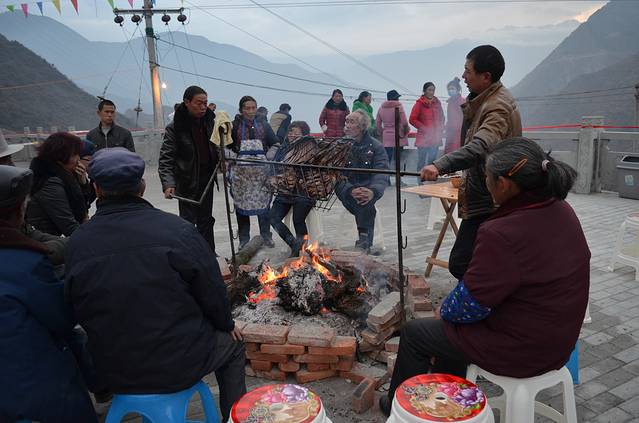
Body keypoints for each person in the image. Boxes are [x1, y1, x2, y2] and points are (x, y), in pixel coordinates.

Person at [381, 137, 590, 416]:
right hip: (559, 342)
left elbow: (470, 304)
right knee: (450, 331)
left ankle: (396, 408)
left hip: (525, 350)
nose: (485, 183)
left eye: (487, 178)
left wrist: (446, 309)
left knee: (417, 333)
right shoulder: (562, 209)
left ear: (503, 184)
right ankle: (448, 402)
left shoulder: (503, 232)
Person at [66, 148, 246, 422]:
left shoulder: (77, 243)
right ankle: (235, 418)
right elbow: (212, 291)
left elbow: (73, 308)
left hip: (114, 371)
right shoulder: (178, 231)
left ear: (96, 189)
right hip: (178, 364)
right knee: (234, 345)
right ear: (142, 186)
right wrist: (226, 323)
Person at [0, 165, 97, 423]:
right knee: (73, 340)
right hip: (27, 386)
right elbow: (61, 318)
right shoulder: (25, 262)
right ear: (18, 211)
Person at [421, 45, 522, 279]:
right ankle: (483, 297)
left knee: (463, 263)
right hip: (483, 193)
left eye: (468, 71)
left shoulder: (497, 106)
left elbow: (481, 146)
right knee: (475, 262)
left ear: (486, 77)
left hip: (493, 199)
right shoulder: (482, 99)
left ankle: (484, 299)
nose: (463, 77)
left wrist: (439, 165)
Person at [159, 86, 219, 253]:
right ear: (187, 102)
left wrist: (221, 159)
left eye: (205, 103)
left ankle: (209, 253)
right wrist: (168, 183)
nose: (203, 107)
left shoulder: (209, 122)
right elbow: (166, 158)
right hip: (187, 180)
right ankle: (190, 255)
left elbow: (216, 146)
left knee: (206, 220)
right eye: (199, 103)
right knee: (187, 222)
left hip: (207, 179)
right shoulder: (176, 127)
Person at [229, 96, 279, 249]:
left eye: (253, 108)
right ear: (241, 110)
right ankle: (244, 240)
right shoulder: (234, 125)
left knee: (264, 206)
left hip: (261, 174)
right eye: (247, 108)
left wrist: (268, 156)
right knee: (241, 207)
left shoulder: (264, 125)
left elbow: (275, 144)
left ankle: (266, 236)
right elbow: (226, 147)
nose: (251, 111)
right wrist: (234, 157)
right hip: (241, 176)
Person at [336, 110, 389, 252]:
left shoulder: (376, 147)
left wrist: (372, 191)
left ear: (362, 126)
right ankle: (364, 242)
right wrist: (350, 190)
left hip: (369, 190)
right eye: (346, 121)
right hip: (347, 192)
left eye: (351, 122)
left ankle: (363, 243)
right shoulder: (340, 145)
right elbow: (336, 175)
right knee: (364, 204)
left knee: (365, 201)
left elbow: (382, 172)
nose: (347, 125)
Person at [26, 132, 93, 236]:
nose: (78, 159)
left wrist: (83, 183)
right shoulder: (49, 184)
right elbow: (69, 227)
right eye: (75, 154)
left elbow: (82, 207)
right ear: (61, 156)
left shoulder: (64, 175)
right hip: (44, 240)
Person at [269, 121, 314, 257]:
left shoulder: (309, 147)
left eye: (296, 133)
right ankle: (294, 244)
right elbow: (274, 167)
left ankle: (299, 249)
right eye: (291, 132)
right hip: (285, 191)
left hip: (304, 191)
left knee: (298, 220)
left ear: (304, 135)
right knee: (273, 218)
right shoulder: (283, 149)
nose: (292, 135)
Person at [410, 82, 445, 182]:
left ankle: (430, 183)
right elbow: (412, 119)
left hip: (435, 138)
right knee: (421, 162)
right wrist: (424, 129)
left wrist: (440, 127)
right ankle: (420, 182)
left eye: (433, 90)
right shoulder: (419, 104)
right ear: (424, 91)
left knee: (432, 162)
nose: (431, 92)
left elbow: (442, 117)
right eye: (429, 90)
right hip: (423, 139)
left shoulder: (437, 103)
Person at [376, 89, 410, 163]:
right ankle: (396, 170)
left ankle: (387, 170)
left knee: (387, 158)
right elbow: (404, 122)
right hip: (399, 136)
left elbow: (377, 124)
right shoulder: (399, 107)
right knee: (398, 160)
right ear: (396, 98)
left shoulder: (381, 108)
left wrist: (382, 133)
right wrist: (406, 131)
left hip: (387, 137)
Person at [444, 77, 466, 154]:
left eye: (452, 88)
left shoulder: (462, 101)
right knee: (448, 152)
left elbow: (465, 118)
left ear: (458, 89)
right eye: (449, 89)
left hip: (459, 133)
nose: (450, 90)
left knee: (455, 152)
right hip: (450, 132)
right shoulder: (450, 102)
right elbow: (450, 118)